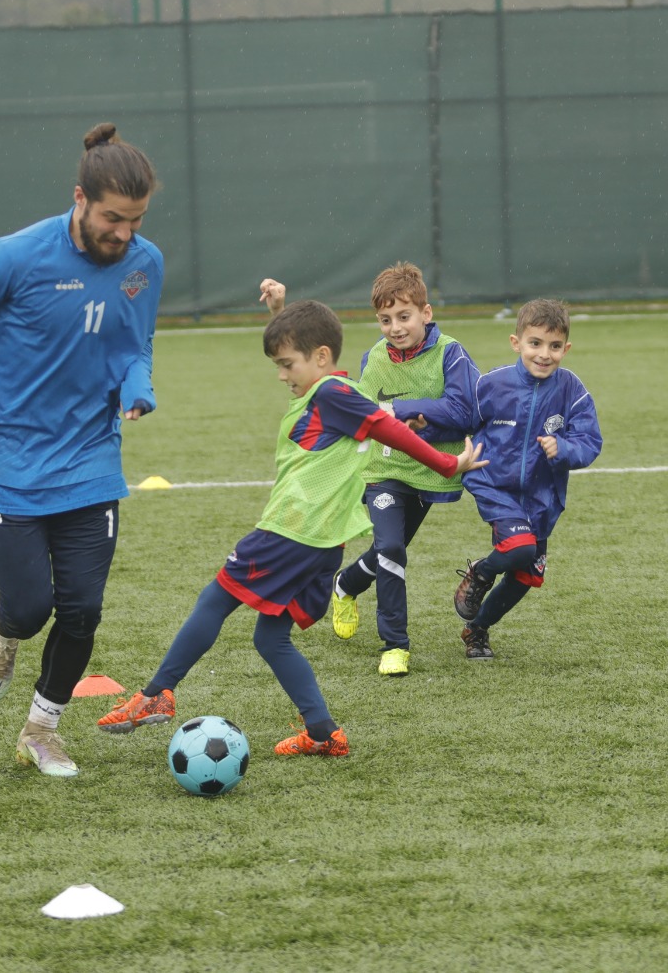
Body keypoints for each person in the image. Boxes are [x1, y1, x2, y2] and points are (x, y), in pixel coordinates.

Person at [96, 297, 487, 756]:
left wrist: (446, 464)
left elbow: (392, 430)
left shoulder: (331, 395)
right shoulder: (337, 392)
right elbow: (333, 377)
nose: (282, 375)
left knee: (215, 598)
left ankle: (155, 693)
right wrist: (279, 312)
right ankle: (323, 734)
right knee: (271, 637)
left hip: (290, 530)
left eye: (287, 365)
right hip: (323, 544)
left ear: (321, 358)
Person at [0, 123, 162, 778]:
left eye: (135, 221)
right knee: (29, 609)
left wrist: (137, 388)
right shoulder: (15, 257)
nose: (123, 234)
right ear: (80, 199)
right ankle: (2, 632)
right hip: (12, 459)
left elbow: (134, 345)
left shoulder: (146, 263)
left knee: (82, 608)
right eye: (113, 218)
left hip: (90, 458)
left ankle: (40, 731)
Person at [257, 265, 480, 677]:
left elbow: (464, 410)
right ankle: (395, 644)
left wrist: (402, 410)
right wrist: (281, 311)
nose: (394, 328)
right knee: (392, 549)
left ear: (426, 313)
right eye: (385, 319)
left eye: (404, 316)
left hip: (428, 473)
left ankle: (344, 586)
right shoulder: (372, 358)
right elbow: (335, 390)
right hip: (381, 470)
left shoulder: (451, 353)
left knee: (385, 552)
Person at [453, 299, 602, 660]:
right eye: (535, 343)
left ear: (566, 348)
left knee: (525, 578)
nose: (544, 354)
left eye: (554, 346)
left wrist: (564, 448)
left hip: (541, 499)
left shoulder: (571, 390)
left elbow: (590, 440)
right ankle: (481, 572)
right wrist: (449, 450)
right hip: (494, 485)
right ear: (516, 342)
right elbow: (460, 419)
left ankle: (477, 630)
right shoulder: (492, 384)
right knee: (521, 548)